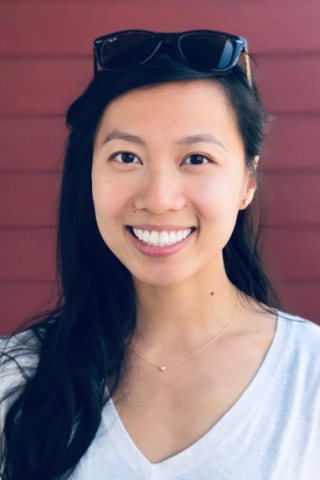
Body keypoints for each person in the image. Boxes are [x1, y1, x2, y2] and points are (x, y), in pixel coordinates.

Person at [1, 29, 320, 480]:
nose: (159, 198)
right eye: (127, 157)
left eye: (196, 159)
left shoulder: (309, 375)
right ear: (88, 173)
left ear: (247, 181)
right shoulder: (16, 378)